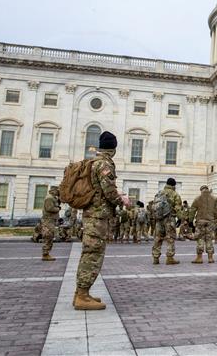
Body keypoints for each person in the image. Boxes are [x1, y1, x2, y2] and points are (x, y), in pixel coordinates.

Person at [75, 131, 129, 310]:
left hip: (92, 215)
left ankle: (82, 292)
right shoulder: (104, 164)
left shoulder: (92, 162)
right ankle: (82, 295)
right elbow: (109, 191)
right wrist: (122, 200)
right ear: (113, 148)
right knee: (93, 255)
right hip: (98, 217)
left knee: (90, 253)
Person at [152, 178, 183, 265]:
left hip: (159, 219)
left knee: (158, 238)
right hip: (169, 219)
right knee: (170, 238)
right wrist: (180, 218)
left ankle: (155, 258)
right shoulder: (175, 194)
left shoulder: (159, 193)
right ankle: (170, 258)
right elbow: (178, 208)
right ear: (174, 185)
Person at [190, 185, 217, 264]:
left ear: (201, 190)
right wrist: (215, 220)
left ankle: (199, 258)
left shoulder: (197, 198)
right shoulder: (215, 199)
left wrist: (190, 221)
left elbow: (192, 210)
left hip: (200, 222)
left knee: (200, 239)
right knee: (209, 239)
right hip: (211, 222)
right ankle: (210, 258)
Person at [40, 186, 61, 261]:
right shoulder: (49, 198)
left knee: (50, 236)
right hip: (48, 220)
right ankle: (45, 254)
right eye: (57, 191)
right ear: (54, 191)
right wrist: (58, 209)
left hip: (51, 220)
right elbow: (49, 208)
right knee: (48, 236)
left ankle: (46, 253)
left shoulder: (53, 197)